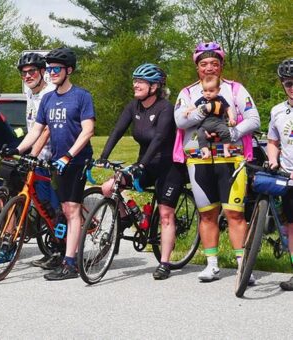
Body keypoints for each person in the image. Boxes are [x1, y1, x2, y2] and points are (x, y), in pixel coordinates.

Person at [6, 47, 96, 280]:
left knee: (71, 209)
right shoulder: (47, 98)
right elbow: (36, 130)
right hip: (57, 162)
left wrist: (69, 155)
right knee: (63, 209)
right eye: (49, 69)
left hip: (77, 160)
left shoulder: (81, 96)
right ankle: (66, 254)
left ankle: (70, 264)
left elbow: (88, 130)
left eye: (56, 69)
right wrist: (17, 149)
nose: (51, 73)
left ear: (69, 70)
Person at [173, 42, 260, 282]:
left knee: (235, 214)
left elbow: (254, 119)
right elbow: (180, 121)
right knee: (208, 214)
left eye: (214, 63)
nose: (209, 68)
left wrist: (231, 133)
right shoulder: (188, 92)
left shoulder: (235, 89)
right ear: (197, 68)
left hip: (231, 158)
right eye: (203, 64)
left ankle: (243, 265)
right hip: (198, 160)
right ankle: (212, 264)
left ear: (221, 66)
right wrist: (206, 110)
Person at [97, 63, 186, 280]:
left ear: (154, 86)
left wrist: (142, 164)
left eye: (141, 81)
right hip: (145, 164)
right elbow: (118, 130)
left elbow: (159, 139)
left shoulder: (166, 108)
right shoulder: (133, 106)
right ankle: (127, 217)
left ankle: (164, 262)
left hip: (169, 167)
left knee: (165, 214)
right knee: (108, 187)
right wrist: (103, 156)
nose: (135, 84)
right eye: (135, 80)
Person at [17, 52, 60, 268]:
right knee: (44, 207)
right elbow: (33, 129)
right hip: (39, 159)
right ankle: (54, 246)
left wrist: (33, 152)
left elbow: (48, 130)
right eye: (24, 73)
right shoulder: (31, 96)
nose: (27, 76)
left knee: (56, 205)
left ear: (42, 71)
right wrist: (18, 150)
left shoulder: (50, 93)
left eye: (32, 71)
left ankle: (65, 249)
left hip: (54, 157)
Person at [265, 58, 293, 291]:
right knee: (291, 226)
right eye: (288, 83)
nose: (292, 87)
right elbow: (273, 141)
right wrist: (273, 159)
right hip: (288, 175)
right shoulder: (277, 111)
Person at [184, 75, 236, 159]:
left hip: (218, 123)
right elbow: (194, 106)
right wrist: (187, 110)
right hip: (204, 124)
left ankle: (226, 150)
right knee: (200, 135)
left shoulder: (220, 99)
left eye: (211, 90)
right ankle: (206, 152)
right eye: (205, 90)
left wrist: (231, 118)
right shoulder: (202, 99)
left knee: (225, 132)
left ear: (218, 90)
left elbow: (228, 109)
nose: (207, 93)